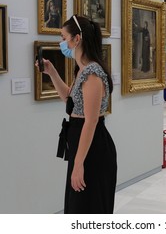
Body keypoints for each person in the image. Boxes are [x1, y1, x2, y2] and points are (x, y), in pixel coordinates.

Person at [36, 15, 117, 213]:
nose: (61, 42)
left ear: (77, 39)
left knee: (87, 207)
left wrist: (79, 164)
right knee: (76, 206)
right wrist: (52, 72)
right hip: (81, 144)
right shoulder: (82, 70)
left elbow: (90, 121)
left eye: (64, 37)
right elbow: (70, 101)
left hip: (92, 149)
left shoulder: (92, 74)